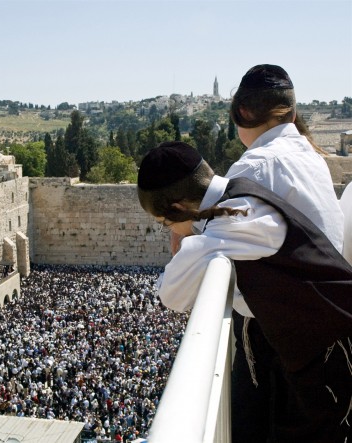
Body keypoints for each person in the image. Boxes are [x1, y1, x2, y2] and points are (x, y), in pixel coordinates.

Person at [137, 141, 352, 442]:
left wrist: (188, 244)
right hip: (318, 343)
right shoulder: (242, 194)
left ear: (177, 208)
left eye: (165, 223)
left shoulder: (231, 223)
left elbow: (171, 295)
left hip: (330, 353)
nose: (170, 231)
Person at [225, 64, 345, 443]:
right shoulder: (313, 159)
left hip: (277, 343)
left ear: (241, 114)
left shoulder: (252, 169)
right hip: (326, 337)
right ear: (292, 113)